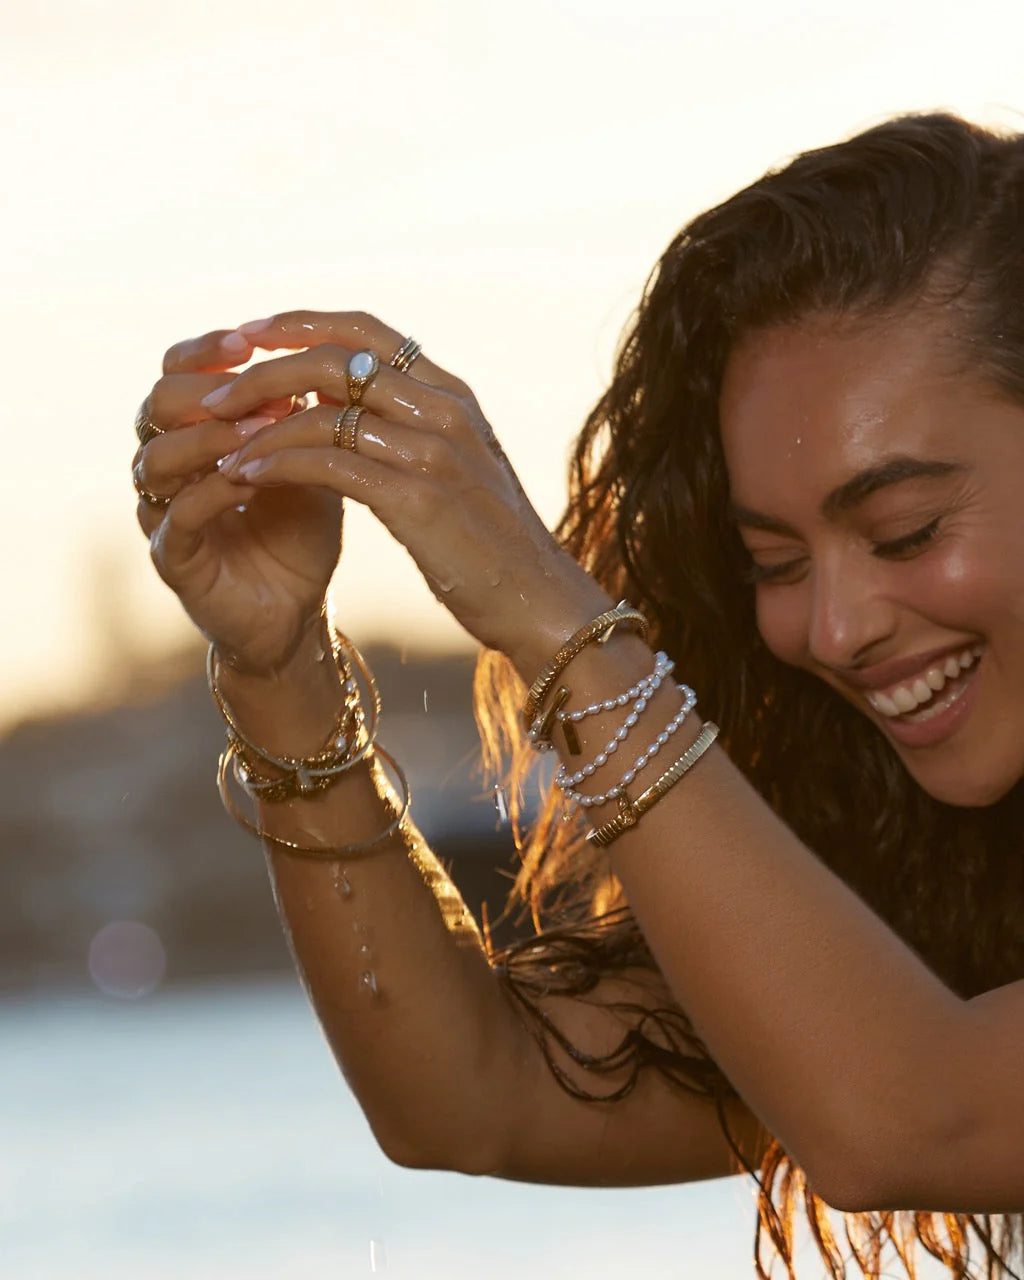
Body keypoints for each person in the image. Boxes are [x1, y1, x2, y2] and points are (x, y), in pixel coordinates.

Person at [131, 110, 1024, 1280]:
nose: (836, 627)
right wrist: (278, 667)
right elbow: (476, 1094)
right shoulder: (957, 878)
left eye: (904, 530)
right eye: (775, 564)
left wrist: (564, 629)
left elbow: (914, 1116)